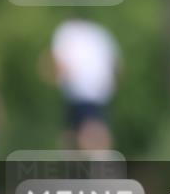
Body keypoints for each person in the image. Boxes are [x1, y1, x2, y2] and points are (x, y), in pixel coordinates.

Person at [44, 19, 121, 151]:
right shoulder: (101, 33)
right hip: (101, 92)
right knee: (94, 128)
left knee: (81, 132)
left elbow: (59, 64)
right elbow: (117, 65)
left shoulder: (65, 32)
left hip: (78, 92)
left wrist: (53, 78)